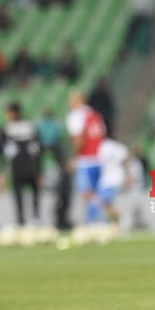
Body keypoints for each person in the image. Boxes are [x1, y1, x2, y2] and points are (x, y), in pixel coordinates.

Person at [66, 89, 106, 225]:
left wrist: (72, 158)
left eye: (71, 100)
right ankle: (100, 221)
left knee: (86, 193)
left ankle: (93, 222)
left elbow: (79, 140)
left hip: (85, 160)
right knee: (95, 193)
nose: (69, 103)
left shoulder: (76, 116)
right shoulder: (95, 114)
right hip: (99, 159)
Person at [0, 102, 42, 228]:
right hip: (26, 167)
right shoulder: (29, 126)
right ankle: (29, 219)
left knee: (24, 194)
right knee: (27, 194)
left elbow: (4, 152)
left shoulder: (9, 129)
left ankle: (25, 220)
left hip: (23, 166)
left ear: (14, 113)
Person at [95, 132, 129, 235]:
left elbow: (97, 162)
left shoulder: (103, 146)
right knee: (106, 203)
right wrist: (127, 175)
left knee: (103, 203)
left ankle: (122, 219)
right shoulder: (119, 147)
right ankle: (111, 224)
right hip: (116, 179)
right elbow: (126, 159)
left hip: (108, 180)